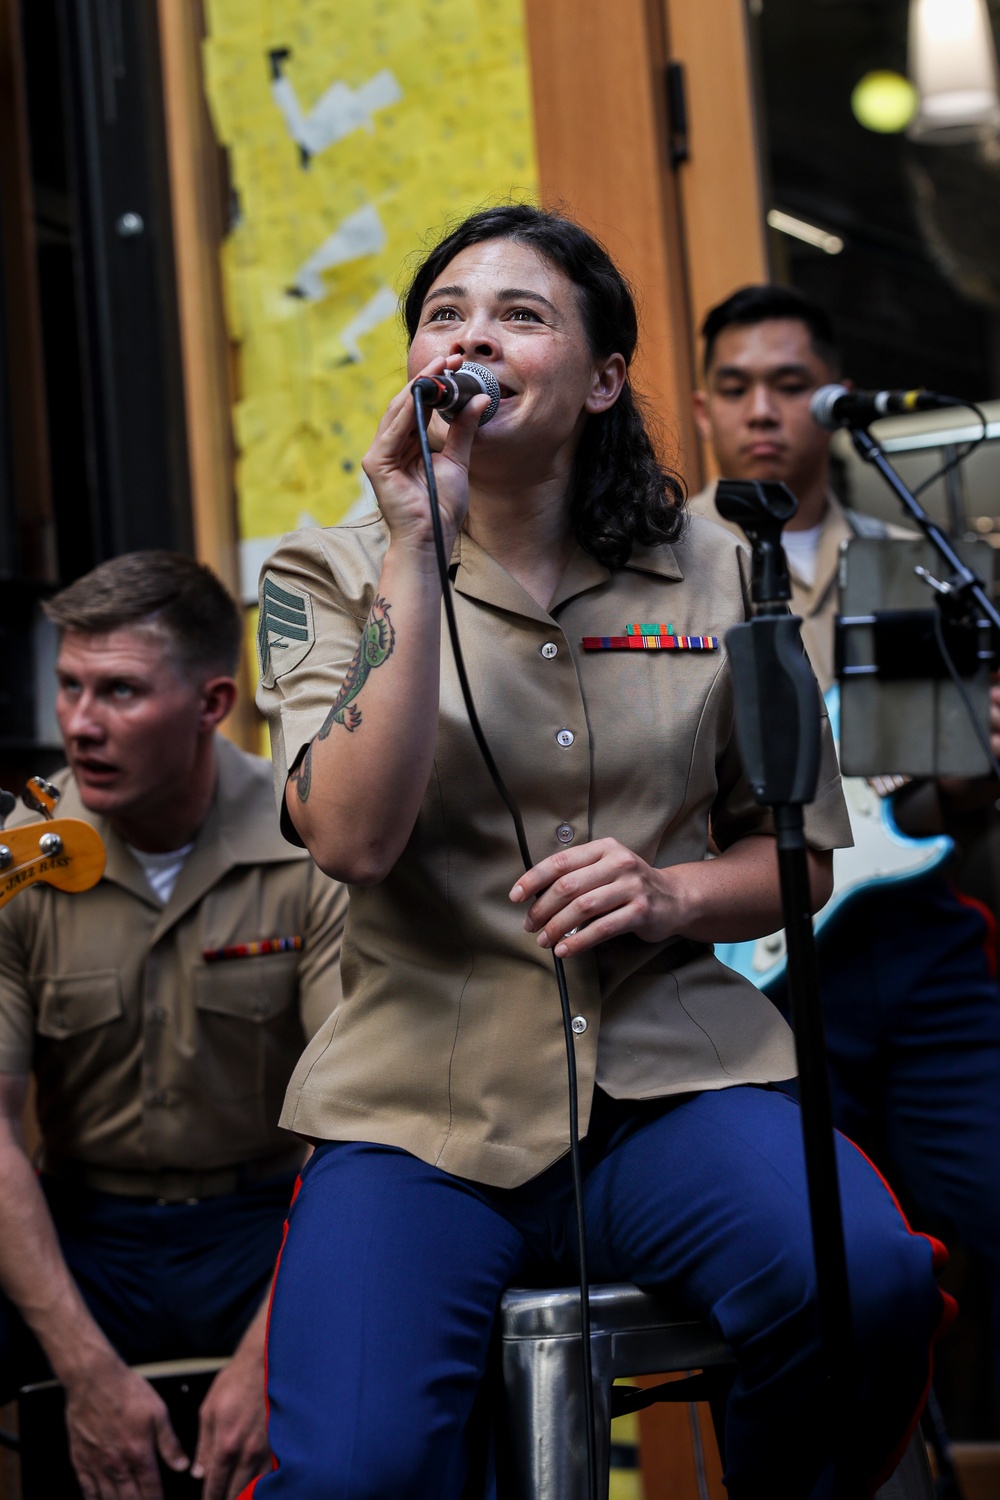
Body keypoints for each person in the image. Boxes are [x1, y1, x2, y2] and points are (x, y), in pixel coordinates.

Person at [252, 206, 950, 1500]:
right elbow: (350, 838)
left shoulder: (723, 564)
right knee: (356, 1470)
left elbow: (793, 860)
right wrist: (417, 536)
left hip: (672, 1083)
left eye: (522, 315)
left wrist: (670, 889)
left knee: (872, 1281)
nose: (474, 336)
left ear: (605, 377)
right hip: (418, 1110)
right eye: (446, 313)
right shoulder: (323, 570)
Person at [688, 283, 1000, 1371]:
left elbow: (930, 806)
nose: (762, 411)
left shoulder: (912, 568)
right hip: (736, 964)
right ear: (700, 410)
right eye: (735, 388)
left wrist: (980, 766)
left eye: (789, 386)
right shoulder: (659, 572)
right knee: (797, 1270)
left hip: (905, 941)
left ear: (835, 403)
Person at [0, 552, 347, 1500]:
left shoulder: (308, 846)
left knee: (391, 1367)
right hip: (82, 1231)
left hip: (267, 1228)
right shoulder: (16, 859)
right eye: (68, 686)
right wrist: (83, 1367)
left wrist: (263, 1357)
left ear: (211, 701)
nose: (78, 723)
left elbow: (354, 1124)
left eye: (118, 691)